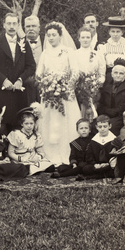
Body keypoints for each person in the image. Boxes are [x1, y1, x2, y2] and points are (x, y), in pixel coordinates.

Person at [35, 21, 81, 166]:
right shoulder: (45, 53)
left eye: (54, 35)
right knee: (49, 124)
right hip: (49, 95)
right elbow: (38, 74)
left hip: (65, 95)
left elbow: (75, 72)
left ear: (60, 36)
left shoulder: (68, 52)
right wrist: (47, 84)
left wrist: (65, 87)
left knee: (65, 123)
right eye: (48, 35)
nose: (51, 38)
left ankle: (68, 153)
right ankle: (49, 153)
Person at [0, 12, 36, 128]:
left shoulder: (24, 43)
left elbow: (31, 66)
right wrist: (3, 81)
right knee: (0, 125)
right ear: (4, 25)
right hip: (0, 91)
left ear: (18, 25)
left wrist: (20, 80)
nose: (12, 26)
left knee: (18, 125)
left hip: (18, 92)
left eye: (14, 23)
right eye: (9, 23)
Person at [7, 105, 55, 175]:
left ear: (34, 123)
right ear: (22, 124)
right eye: (26, 123)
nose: (29, 126)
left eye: (31, 123)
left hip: (33, 160)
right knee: (21, 169)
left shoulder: (36, 135)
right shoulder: (16, 134)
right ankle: (29, 169)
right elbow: (10, 153)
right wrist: (23, 159)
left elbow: (41, 152)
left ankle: (33, 169)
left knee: (51, 167)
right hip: (20, 160)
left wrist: (37, 157)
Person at [73, 25, 106, 121]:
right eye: (83, 37)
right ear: (79, 39)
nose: (85, 40)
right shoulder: (74, 55)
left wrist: (95, 85)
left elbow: (102, 73)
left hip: (95, 90)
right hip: (78, 91)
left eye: (88, 37)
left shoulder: (98, 54)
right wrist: (80, 86)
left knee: (94, 113)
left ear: (91, 39)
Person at [97, 61, 125, 135]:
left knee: (111, 127)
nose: (118, 75)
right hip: (105, 115)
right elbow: (100, 103)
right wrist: (106, 111)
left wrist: (115, 111)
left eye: (121, 73)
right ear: (111, 74)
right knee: (94, 127)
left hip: (120, 117)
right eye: (115, 73)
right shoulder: (106, 86)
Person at [97, 16, 125, 80]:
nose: (115, 34)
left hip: (124, 77)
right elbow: (102, 66)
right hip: (109, 78)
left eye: (118, 31)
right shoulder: (103, 47)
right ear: (109, 32)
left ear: (122, 32)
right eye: (113, 31)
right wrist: (102, 79)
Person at [80, 115, 116, 180]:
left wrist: (108, 163)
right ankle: (103, 174)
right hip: (97, 165)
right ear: (96, 127)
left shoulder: (114, 140)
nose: (102, 129)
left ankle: (96, 175)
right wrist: (94, 164)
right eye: (100, 127)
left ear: (110, 126)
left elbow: (116, 155)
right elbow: (89, 156)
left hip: (108, 165)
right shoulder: (94, 140)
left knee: (115, 169)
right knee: (85, 168)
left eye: (105, 126)